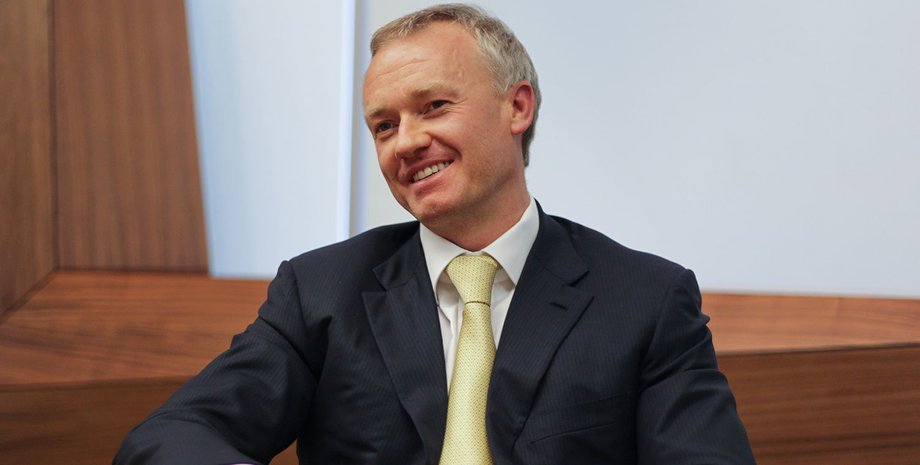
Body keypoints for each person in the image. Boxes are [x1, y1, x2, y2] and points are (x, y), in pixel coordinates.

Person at [115, 4, 755, 464]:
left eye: (433, 107)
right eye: (384, 125)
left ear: (517, 107)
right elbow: (168, 438)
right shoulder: (321, 291)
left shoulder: (643, 299)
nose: (406, 141)